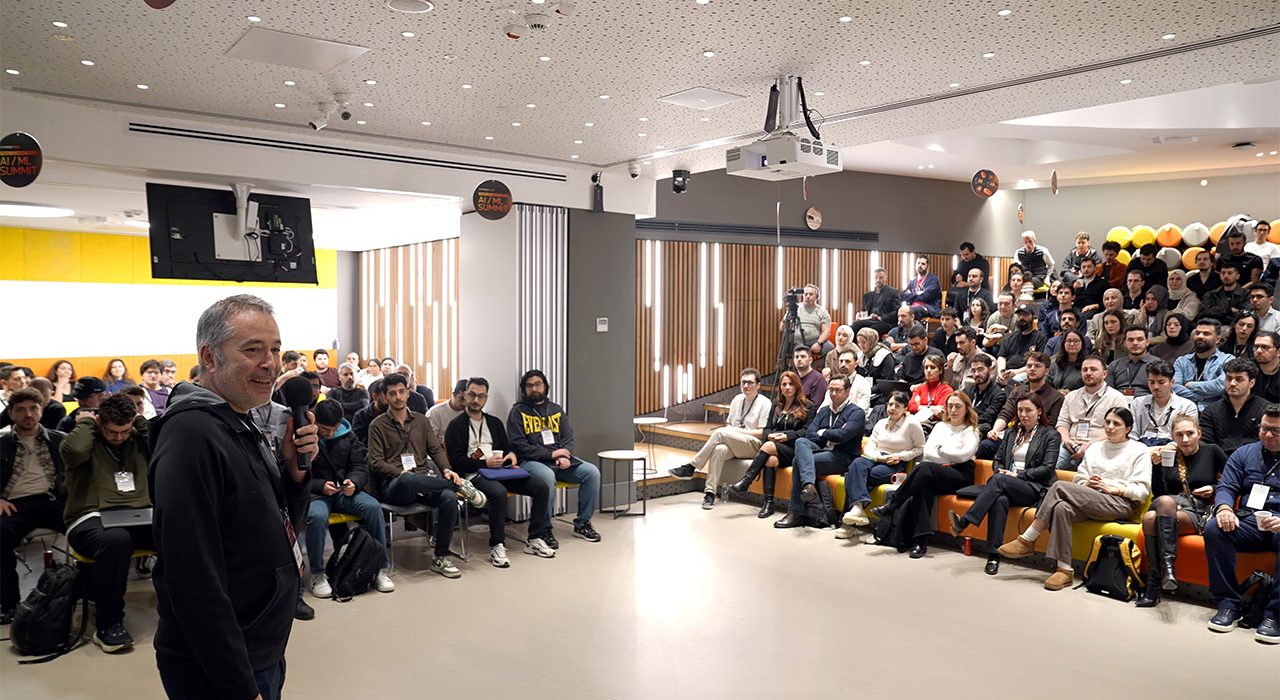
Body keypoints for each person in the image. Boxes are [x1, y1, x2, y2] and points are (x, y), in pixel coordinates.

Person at [149, 295, 318, 696]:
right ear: (209, 357)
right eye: (253, 349)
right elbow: (192, 580)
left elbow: (278, 524)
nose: (270, 363)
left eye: (275, 350)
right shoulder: (192, 435)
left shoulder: (239, 421)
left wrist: (294, 474)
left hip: (259, 644)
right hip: (220, 666)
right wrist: (239, 687)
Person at [998, 407, 1150, 590]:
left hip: (1122, 503)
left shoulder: (1139, 450)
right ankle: (1064, 569)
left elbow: (1142, 491)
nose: (1110, 427)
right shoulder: (1095, 448)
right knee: (1061, 507)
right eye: (1108, 422)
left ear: (1128, 428)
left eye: (1116, 424)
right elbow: (1080, 478)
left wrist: (1115, 489)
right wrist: (1088, 483)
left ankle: (1027, 539)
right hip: (1092, 497)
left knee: (1059, 486)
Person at [368, 372, 484, 576]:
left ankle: (440, 557)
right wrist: (400, 472)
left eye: (401, 392)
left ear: (408, 393)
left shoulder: (421, 421)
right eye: (392, 393)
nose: (398, 397)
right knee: (408, 478)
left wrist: (447, 469)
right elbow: (375, 462)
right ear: (385, 396)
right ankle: (460, 486)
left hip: (424, 481)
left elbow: (435, 449)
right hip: (395, 486)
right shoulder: (377, 425)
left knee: (448, 498)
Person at [61, 393, 152, 653]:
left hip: (138, 514)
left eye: (125, 431)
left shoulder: (137, 440)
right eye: (112, 432)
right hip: (90, 516)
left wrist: (140, 421)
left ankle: (183, 608)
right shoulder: (86, 441)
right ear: (100, 422)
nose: (119, 438)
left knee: (179, 531)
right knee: (115, 540)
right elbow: (73, 451)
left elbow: (161, 443)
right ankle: (109, 624)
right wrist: (87, 422)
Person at [445, 377, 556, 564]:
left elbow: (507, 447)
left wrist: (511, 455)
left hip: (500, 471)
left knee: (541, 486)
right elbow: (457, 462)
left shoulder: (494, 422)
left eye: (481, 396)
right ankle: (497, 545)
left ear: (486, 398)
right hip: (474, 475)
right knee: (498, 492)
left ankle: (535, 538)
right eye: (472, 395)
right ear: (465, 395)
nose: (476, 400)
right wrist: (484, 463)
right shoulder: (456, 426)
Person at [948, 394, 1061, 575]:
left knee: (998, 481)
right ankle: (994, 555)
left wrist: (1017, 475)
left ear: (1039, 411)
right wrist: (1001, 471)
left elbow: (1047, 469)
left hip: (1034, 488)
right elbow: (997, 460)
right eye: (1020, 410)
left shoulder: (1050, 435)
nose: (1023, 414)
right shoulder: (1011, 433)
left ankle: (964, 523)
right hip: (1007, 484)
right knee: (999, 499)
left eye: (1028, 410)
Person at [869, 392, 981, 558]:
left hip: (959, 475)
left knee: (924, 468)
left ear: (967, 409)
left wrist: (941, 450)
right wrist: (948, 454)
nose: (953, 410)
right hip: (935, 472)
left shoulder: (971, 430)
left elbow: (963, 456)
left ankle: (893, 503)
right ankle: (919, 542)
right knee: (923, 488)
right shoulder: (940, 426)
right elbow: (928, 453)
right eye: (950, 406)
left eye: (958, 406)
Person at [1202, 404, 1280, 642]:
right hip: (1250, 521)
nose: (1268, 435)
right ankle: (1228, 604)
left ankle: (1274, 614)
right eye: (1264, 429)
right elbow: (1226, 486)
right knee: (1215, 528)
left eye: (1276, 431)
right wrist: (1224, 508)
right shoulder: (1244, 453)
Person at [304, 400, 394, 597]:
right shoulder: (304, 436)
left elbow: (359, 467)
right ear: (315, 422)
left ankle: (380, 568)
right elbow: (296, 474)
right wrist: (320, 485)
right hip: (317, 494)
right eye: (324, 429)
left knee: (373, 507)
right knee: (316, 517)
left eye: (334, 429)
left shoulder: (349, 436)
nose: (329, 434)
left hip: (344, 491)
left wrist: (353, 482)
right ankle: (317, 574)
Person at [1135, 413, 1225, 607]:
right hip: (1167, 505)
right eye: (1179, 435)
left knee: (1150, 519)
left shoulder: (1212, 451)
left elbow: (1233, 481)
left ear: (1199, 433)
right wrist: (1156, 467)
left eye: (1190, 433)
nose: (1185, 439)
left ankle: (1153, 585)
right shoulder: (1169, 455)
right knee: (1165, 502)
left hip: (1196, 510)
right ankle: (1168, 570)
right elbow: (1159, 493)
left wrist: (1214, 488)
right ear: (1172, 437)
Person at [508, 369, 602, 545]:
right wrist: (551, 454)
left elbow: (568, 437)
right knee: (547, 477)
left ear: (545, 386)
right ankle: (544, 529)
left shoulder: (556, 410)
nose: (534, 389)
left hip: (559, 461)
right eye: (529, 386)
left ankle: (582, 524)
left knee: (592, 473)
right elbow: (519, 446)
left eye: (538, 384)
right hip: (531, 462)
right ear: (524, 389)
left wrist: (565, 455)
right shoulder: (518, 412)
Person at [0, 388, 67, 623]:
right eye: (20, 410)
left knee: (87, 529)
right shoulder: (2, 443)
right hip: (14, 504)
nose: (27, 414)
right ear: (11, 414)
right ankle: (9, 604)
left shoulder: (60, 439)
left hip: (53, 500)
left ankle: (81, 590)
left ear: (42, 410)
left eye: (33, 408)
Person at [667, 368, 772, 509]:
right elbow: (730, 424)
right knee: (719, 450)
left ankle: (691, 467)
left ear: (758, 385)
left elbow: (762, 433)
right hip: (735, 440)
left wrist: (735, 431)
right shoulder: (737, 400)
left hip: (754, 444)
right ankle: (710, 493)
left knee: (719, 433)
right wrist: (733, 431)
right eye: (743, 382)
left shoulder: (765, 403)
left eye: (750, 382)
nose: (746, 386)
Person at [774, 375, 864, 529]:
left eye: (838, 390)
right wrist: (831, 435)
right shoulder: (823, 411)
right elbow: (810, 434)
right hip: (822, 451)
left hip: (843, 456)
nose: (833, 393)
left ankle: (795, 513)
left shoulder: (856, 413)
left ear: (847, 391)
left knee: (797, 461)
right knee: (801, 442)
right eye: (831, 390)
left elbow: (843, 436)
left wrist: (823, 433)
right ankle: (808, 486)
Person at [837, 390, 924, 536]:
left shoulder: (912, 424)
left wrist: (901, 456)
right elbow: (870, 447)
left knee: (854, 476)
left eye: (897, 405)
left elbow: (920, 448)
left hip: (895, 463)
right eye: (890, 404)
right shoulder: (881, 423)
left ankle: (848, 523)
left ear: (905, 408)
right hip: (877, 458)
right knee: (857, 463)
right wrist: (879, 458)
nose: (892, 408)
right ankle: (857, 509)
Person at [726, 371, 812, 518]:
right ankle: (768, 504)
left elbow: (807, 432)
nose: (787, 387)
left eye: (790, 384)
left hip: (795, 448)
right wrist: (770, 435)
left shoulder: (807, 406)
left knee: (767, 446)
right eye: (784, 384)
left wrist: (787, 436)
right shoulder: (776, 404)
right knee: (771, 460)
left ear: (797, 386)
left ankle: (746, 481)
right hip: (776, 447)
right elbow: (766, 429)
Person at [978, 352, 1063, 459]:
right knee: (986, 445)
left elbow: (1050, 427)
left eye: (1037, 366)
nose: (1032, 369)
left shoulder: (1056, 397)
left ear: (1046, 371)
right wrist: (995, 430)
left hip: (1037, 441)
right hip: (1013, 436)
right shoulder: (1017, 391)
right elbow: (1006, 413)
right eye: (1029, 366)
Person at [1199, 357, 1268, 457]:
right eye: (1229, 378)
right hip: (1221, 462)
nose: (1232, 383)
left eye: (1239, 379)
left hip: (1255, 461)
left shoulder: (1265, 409)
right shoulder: (1211, 411)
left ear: (1251, 383)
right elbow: (1206, 445)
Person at [1129, 361, 1198, 446]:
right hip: (1142, 449)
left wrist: (1162, 449)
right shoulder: (1137, 403)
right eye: (1152, 382)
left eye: (1161, 382)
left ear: (1172, 382)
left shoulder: (1187, 406)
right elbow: (1132, 434)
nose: (1156, 387)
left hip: (1173, 449)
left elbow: (1187, 438)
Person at [1173, 318, 1233, 410]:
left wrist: (1190, 385)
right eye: (1197, 333)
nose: (1200, 336)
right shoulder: (1181, 361)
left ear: (1218, 339)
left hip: (1214, 412)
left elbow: (1221, 385)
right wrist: (1200, 397)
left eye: (1206, 334)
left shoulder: (1227, 360)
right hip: (1183, 410)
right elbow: (1174, 387)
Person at [995, 304, 1047, 385]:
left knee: (1015, 380)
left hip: (1026, 372)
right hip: (1007, 371)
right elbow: (1001, 356)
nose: (1022, 318)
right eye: (1019, 315)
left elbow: (1039, 362)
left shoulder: (1040, 338)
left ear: (1033, 317)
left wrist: (1016, 372)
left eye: (1025, 315)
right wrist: (1001, 372)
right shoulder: (1010, 337)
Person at [779, 284, 832, 359]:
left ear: (817, 297)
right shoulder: (795, 308)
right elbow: (782, 325)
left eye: (811, 294)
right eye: (806, 294)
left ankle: (818, 366)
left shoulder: (822, 312)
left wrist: (819, 343)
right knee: (800, 350)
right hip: (797, 341)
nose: (808, 296)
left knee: (829, 347)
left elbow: (826, 331)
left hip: (815, 341)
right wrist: (784, 326)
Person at [850, 268, 902, 337]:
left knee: (873, 329)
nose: (878, 280)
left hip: (885, 322)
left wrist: (880, 317)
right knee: (854, 325)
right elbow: (864, 311)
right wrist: (859, 315)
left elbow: (896, 311)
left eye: (881, 278)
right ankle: (854, 344)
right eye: (876, 278)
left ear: (885, 278)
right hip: (870, 320)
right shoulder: (868, 296)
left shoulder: (893, 292)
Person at [963, 354, 1006, 438]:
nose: (976, 374)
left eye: (980, 369)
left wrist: (966, 419)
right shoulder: (967, 391)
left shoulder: (999, 394)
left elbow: (987, 417)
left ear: (990, 370)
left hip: (983, 432)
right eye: (973, 370)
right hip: (965, 425)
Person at [1108, 326, 1158, 397]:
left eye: (1140, 339)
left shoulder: (1158, 364)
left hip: (1147, 401)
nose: (1135, 343)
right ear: (1125, 343)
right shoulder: (1114, 365)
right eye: (1130, 340)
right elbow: (1108, 392)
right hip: (1119, 401)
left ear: (1147, 342)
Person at [351, 379, 386, 445]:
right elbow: (359, 442)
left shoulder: (396, 413)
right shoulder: (361, 416)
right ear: (375, 397)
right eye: (386, 395)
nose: (391, 398)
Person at [1252, 331, 1280, 403]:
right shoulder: (1247, 368)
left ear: (1278, 352)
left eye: (1265, 347)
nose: (1259, 351)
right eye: (1256, 346)